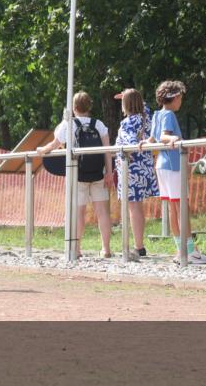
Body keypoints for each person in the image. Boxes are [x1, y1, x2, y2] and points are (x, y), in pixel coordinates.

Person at [37, 92, 114, 258]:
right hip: (98, 174)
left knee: (79, 212)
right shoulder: (99, 124)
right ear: (89, 106)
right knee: (102, 212)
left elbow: (54, 144)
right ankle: (106, 249)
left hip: (77, 174)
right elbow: (107, 150)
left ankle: (77, 249)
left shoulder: (69, 124)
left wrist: (42, 150)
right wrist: (109, 172)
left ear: (74, 108)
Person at [143, 80, 206, 264]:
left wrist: (145, 143)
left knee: (173, 208)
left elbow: (152, 139)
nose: (181, 101)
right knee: (182, 208)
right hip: (172, 166)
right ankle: (190, 252)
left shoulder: (157, 114)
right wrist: (173, 137)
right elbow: (164, 136)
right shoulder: (169, 115)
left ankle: (181, 250)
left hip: (162, 166)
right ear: (173, 98)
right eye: (180, 97)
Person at [114, 89, 158, 259]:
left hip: (132, 168)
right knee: (138, 207)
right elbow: (144, 107)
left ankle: (138, 246)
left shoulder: (128, 123)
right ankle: (139, 244)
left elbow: (130, 143)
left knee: (133, 207)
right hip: (145, 166)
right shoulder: (147, 118)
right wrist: (131, 96)